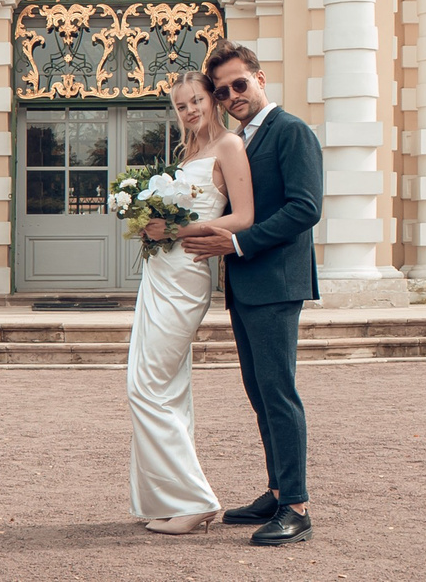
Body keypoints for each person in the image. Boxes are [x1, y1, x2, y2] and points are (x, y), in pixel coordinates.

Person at [180, 42, 322, 547]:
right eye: (223, 91)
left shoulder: (292, 132)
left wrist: (237, 241)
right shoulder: (241, 140)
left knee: (279, 393)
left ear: (260, 78)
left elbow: (305, 209)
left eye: (240, 84)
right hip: (246, 284)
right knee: (260, 393)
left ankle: (297, 507)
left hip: (277, 282)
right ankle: (278, 488)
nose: (233, 95)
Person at [128, 72, 254, 535]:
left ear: (212, 99)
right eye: (181, 106)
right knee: (167, 387)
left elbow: (243, 217)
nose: (190, 111)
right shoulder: (187, 153)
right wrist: (148, 221)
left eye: (196, 100)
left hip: (187, 273)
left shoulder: (229, 147)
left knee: (146, 385)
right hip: (159, 271)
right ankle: (168, 498)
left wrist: (176, 231)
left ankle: (196, 500)